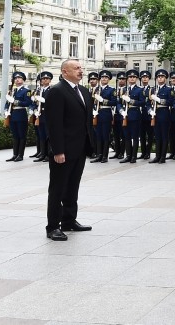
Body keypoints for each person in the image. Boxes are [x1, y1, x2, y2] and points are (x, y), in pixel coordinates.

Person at [43, 58, 95, 241]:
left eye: (81, 68)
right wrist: (57, 150)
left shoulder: (83, 91)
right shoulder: (57, 91)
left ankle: (69, 220)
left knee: (72, 187)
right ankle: (52, 226)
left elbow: (85, 121)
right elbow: (54, 124)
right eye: (76, 68)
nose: (81, 71)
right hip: (63, 150)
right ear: (65, 72)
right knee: (58, 188)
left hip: (79, 148)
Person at [4, 71, 33, 162]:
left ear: (23, 80)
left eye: (19, 78)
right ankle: (14, 154)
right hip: (12, 114)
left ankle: (20, 155)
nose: (17, 80)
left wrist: (15, 101)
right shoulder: (12, 91)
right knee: (15, 136)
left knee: (21, 135)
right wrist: (6, 110)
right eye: (15, 78)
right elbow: (7, 103)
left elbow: (27, 103)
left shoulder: (26, 91)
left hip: (21, 114)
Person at [90, 70, 117, 163]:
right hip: (96, 113)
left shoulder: (111, 90)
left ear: (109, 79)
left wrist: (103, 100)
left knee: (105, 135)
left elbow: (114, 102)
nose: (104, 79)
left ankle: (105, 156)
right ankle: (99, 155)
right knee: (98, 135)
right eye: (102, 77)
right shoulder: (96, 89)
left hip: (106, 113)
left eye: (106, 77)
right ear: (100, 79)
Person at [30, 71, 53, 162]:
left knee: (48, 136)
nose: (44, 80)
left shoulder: (52, 90)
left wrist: (44, 101)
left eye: (47, 78)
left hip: (47, 115)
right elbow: (33, 103)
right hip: (39, 115)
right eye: (43, 79)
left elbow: (53, 103)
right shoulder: (38, 91)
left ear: (50, 80)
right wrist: (34, 110)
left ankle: (48, 155)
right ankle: (42, 154)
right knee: (41, 135)